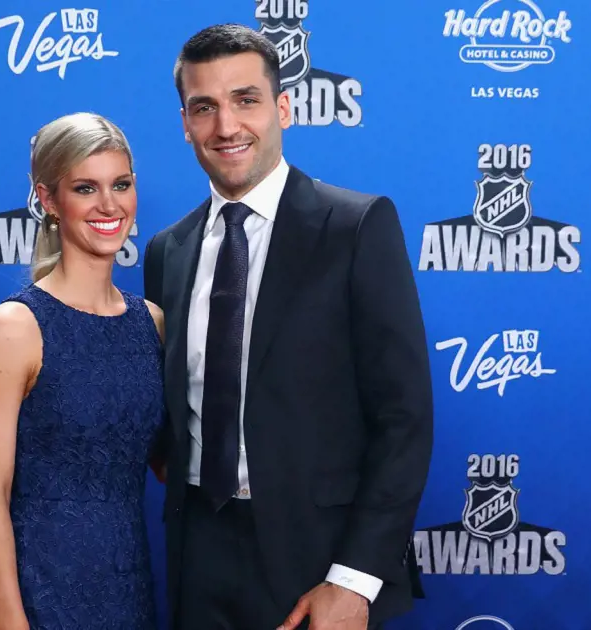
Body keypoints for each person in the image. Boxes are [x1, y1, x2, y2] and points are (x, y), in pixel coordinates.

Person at [142, 24, 433, 630]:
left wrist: (354, 581)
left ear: (283, 108)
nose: (226, 126)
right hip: (197, 552)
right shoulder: (167, 251)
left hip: (319, 560)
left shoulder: (357, 226)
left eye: (245, 99)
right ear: (185, 123)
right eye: (205, 108)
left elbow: (404, 418)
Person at [0, 112, 164, 630]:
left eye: (120, 184)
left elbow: (170, 462)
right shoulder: (15, 326)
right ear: (49, 200)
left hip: (131, 587)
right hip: (44, 592)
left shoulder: (152, 323)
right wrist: (12, 623)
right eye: (85, 188)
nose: (108, 205)